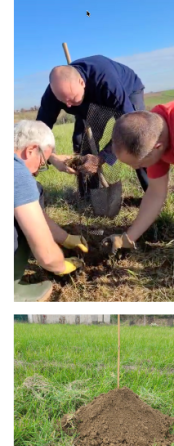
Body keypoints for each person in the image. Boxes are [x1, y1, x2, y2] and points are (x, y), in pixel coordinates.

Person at [37, 55, 149, 190]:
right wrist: (52, 157)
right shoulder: (54, 95)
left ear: (81, 82)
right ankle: (90, 193)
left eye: (71, 99)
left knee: (138, 141)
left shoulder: (107, 81)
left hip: (127, 91)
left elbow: (132, 126)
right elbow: (38, 132)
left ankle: (152, 190)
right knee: (82, 142)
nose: (68, 106)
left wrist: (102, 157)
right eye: (63, 101)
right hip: (89, 102)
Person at [109, 96, 174, 277]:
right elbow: (155, 192)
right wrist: (127, 238)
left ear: (157, 147)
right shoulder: (149, 131)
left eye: (137, 164)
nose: (136, 169)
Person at [13, 121, 86, 301]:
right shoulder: (16, 172)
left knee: (34, 191)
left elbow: (32, 211)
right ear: (30, 150)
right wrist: (60, 265)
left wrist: (65, 238)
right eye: (42, 162)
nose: (38, 170)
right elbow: (46, 256)